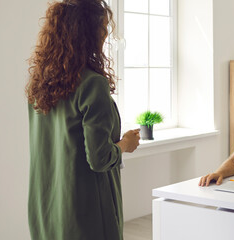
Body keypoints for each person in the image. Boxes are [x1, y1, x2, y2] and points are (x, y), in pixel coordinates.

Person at [26, 1, 140, 239]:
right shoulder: (92, 84)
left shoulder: (40, 84)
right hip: (85, 213)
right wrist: (125, 144)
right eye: (103, 27)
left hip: (45, 209)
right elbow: (99, 159)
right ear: (86, 32)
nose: (106, 34)